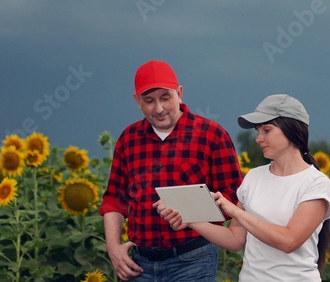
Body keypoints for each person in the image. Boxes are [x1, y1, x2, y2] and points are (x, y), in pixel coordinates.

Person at [156, 94, 330, 281]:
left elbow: (289, 241)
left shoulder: (315, 183)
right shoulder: (254, 177)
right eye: (258, 131)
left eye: (267, 130)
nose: (259, 138)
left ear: (292, 130)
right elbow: (235, 240)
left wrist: (235, 211)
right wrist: (190, 218)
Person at [99, 59, 243, 281]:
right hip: (139, 264)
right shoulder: (128, 140)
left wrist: (191, 212)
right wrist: (113, 248)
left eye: (165, 98)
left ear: (179, 93)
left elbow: (234, 196)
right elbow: (113, 201)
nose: (158, 109)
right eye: (149, 101)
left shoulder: (211, 135)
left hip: (193, 260)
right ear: (137, 101)